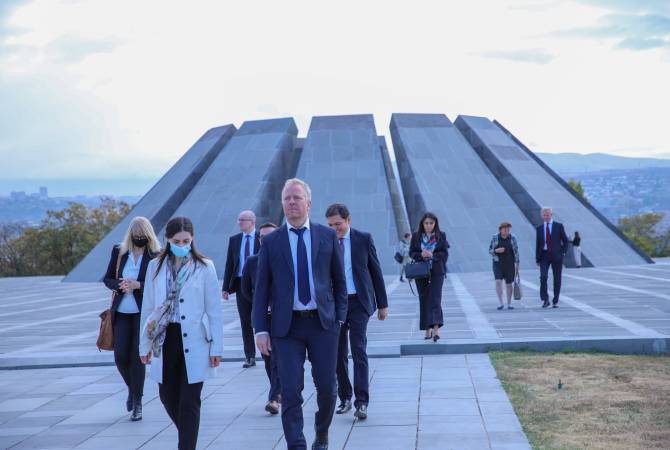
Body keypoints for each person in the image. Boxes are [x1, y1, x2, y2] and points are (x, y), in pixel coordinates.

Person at [253, 178, 347, 450]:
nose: (291, 202)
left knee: (328, 389)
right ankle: (297, 444)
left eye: (296, 197)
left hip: (323, 325)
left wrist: (339, 317)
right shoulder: (271, 242)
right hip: (286, 328)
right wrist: (260, 329)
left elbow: (339, 281)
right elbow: (261, 290)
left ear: (309, 202)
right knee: (291, 390)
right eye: (287, 198)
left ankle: (322, 432)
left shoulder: (326, 235)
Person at [139, 216, 223, 450]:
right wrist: (143, 345)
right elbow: (148, 307)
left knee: (189, 401)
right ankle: (188, 435)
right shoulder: (155, 267)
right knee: (167, 396)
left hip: (194, 340)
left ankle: (186, 446)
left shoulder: (204, 266)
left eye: (186, 240)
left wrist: (217, 348)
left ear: (193, 239)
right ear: (167, 239)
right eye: (177, 240)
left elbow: (214, 311)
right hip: (164, 340)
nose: (182, 244)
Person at [325, 203, 388, 420]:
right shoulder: (325, 240)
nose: (335, 229)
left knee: (358, 349)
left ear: (348, 220)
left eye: (338, 224)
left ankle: (362, 402)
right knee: (338, 353)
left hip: (360, 302)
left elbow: (376, 271)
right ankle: (345, 398)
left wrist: (383, 304)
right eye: (331, 225)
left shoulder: (363, 239)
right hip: (336, 305)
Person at [103, 216, 160, 421]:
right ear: (131, 235)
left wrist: (138, 285)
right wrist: (120, 284)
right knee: (120, 357)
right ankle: (132, 389)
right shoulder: (119, 252)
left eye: (142, 236)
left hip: (142, 313)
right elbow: (107, 278)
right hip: (121, 312)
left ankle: (138, 402)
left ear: (148, 235)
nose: (139, 238)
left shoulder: (155, 254)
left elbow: (158, 283)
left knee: (137, 357)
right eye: (136, 235)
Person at [240, 221, 281, 415]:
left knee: (278, 359)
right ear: (259, 239)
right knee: (267, 358)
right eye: (263, 237)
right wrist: (261, 303)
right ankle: (278, 392)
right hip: (263, 318)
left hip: (282, 318)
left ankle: (274, 397)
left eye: (271, 236)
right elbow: (246, 290)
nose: (267, 240)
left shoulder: (284, 258)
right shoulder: (252, 262)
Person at [222, 210, 261, 368]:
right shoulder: (235, 240)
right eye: (239, 220)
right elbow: (229, 264)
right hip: (240, 284)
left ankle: (272, 352)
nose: (239, 223)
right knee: (245, 321)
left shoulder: (262, 237)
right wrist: (226, 288)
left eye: (242, 220)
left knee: (264, 319)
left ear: (252, 222)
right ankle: (250, 356)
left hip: (259, 283)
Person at [410, 212, 449, 342]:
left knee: (435, 299)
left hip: (437, 271)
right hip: (421, 272)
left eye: (431, 223)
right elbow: (411, 253)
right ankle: (428, 330)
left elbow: (444, 254)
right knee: (424, 299)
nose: (428, 226)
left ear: (435, 224)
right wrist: (421, 255)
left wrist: (433, 256)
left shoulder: (441, 236)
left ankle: (436, 330)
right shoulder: (416, 236)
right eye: (426, 223)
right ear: (422, 223)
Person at [535, 207, 569, 308]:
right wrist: (537, 258)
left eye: (548, 215)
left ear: (551, 215)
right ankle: (545, 299)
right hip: (544, 255)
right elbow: (538, 244)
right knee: (543, 277)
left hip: (556, 255)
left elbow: (565, 241)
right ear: (542, 216)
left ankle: (555, 300)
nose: (546, 217)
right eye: (544, 215)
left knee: (557, 278)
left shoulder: (558, 226)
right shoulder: (539, 228)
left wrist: (562, 253)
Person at [488, 222, 520, 311]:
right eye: (505, 229)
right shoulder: (495, 237)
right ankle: (500, 303)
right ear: (500, 229)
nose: (506, 231)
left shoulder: (512, 238)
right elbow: (490, 250)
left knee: (509, 284)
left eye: (508, 229)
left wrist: (517, 264)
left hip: (510, 264)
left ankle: (509, 303)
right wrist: (496, 250)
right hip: (497, 263)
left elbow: (516, 252)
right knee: (498, 281)